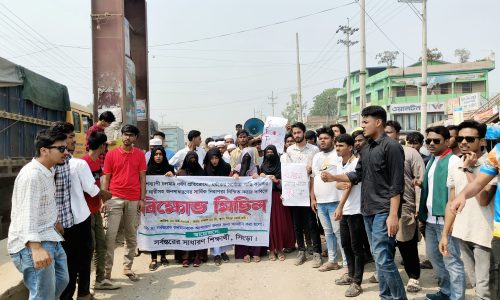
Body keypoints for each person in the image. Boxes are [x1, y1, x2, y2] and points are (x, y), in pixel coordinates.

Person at [327, 106, 407, 300]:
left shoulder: (392, 147)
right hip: (368, 210)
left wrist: (393, 215)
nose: (362, 126)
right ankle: (386, 296)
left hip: (384, 210)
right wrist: (333, 177)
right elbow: (358, 174)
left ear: (378, 122)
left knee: (382, 257)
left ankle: (398, 298)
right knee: (379, 257)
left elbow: (396, 184)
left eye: (365, 121)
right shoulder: (367, 148)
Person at [8, 130, 70, 299]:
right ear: (44, 150)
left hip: (50, 236)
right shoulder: (32, 175)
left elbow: (43, 203)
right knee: (43, 295)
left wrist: (55, 221)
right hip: (33, 244)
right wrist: (35, 248)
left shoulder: (47, 170)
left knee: (62, 281)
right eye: (61, 148)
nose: (66, 152)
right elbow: (25, 214)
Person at [439, 120, 495, 300]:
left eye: (470, 139)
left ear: (482, 141)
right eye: (460, 138)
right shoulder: (456, 165)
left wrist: (468, 168)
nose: (463, 142)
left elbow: (483, 199)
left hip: (485, 236)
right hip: (462, 233)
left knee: (485, 289)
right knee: (475, 283)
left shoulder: (492, 163)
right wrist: (445, 234)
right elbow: (452, 202)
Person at [417, 126, 464, 300]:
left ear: (447, 141)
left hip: (446, 220)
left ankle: (457, 297)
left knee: (452, 261)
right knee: (435, 259)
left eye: (436, 141)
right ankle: (446, 292)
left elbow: (456, 193)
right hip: (430, 219)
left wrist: (450, 223)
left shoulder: (453, 161)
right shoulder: (432, 160)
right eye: (428, 140)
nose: (430, 144)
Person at [448, 142, 500, 300]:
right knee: (496, 286)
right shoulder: (497, 151)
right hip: (499, 231)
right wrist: (462, 196)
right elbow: (479, 183)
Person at [102, 124, 147, 282]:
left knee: (131, 236)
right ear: (122, 136)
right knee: (110, 236)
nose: (127, 137)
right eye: (125, 134)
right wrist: (104, 199)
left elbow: (142, 178)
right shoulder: (111, 154)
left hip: (134, 199)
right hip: (114, 198)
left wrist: (142, 199)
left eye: (131, 135)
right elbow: (106, 178)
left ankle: (127, 267)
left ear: (135, 138)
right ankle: (106, 272)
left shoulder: (140, 155)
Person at [385, 120, 425, 293]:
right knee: (385, 245)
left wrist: (418, 206)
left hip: (405, 206)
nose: (386, 136)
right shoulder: (377, 152)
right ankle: (385, 274)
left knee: (406, 244)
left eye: (389, 132)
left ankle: (413, 277)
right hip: (382, 208)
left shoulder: (409, 153)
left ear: (397, 134)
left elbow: (419, 181)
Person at [82, 132, 120, 291]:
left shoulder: (97, 162)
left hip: (95, 210)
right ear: (102, 146)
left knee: (101, 245)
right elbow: (88, 189)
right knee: (89, 247)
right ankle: (83, 282)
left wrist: (103, 201)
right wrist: (105, 195)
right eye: (106, 145)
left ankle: (100, 279)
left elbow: (102, 181)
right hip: (85, 213)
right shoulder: (83, 163)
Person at [286, 122, 323, 268]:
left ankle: (317, 253)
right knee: (297, 224)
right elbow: (287, 172)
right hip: (294, 194)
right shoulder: (289, 150)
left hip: (309, 191)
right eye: (294, 133)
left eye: (298, 133)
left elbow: (317, 171)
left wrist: (310, 169)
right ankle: (301, 251)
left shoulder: (314, 150)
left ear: (304, 133)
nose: (296, 135)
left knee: (312, 223)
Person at [333, 134, 365, 297]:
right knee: (345, 244)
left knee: (356, 247)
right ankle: (351, 275)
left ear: (350, 147)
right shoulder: (340, 163)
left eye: (341, 146)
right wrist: (340, 184)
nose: (337, 148)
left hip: (355, 210)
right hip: (345, 210)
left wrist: (340, 206)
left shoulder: (355, 163)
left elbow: (349, 185)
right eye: (336, 145)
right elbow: (339, 184)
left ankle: (357, 282)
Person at [310, 127, 345, 271]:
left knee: (339, 233)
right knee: (328, 232)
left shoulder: (338, 155)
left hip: (335, 200)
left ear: (333, 139)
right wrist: (313, 198)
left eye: (326, 138)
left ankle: (347, 262)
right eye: (321, 138)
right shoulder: (317, 157)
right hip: (321, 202)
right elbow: (313, 178)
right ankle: (332, 260)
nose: (322, 141)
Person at [260, 145, 295, 261]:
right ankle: (271, 249)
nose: (269, 154)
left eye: (271, 152)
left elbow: (287, 181)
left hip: (278, 197)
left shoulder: (281, 166)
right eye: (267, 152)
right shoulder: (262, 166)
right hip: (265, 198)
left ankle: (280, 248)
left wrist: (277, 181)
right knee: (269, 225)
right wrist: (261, 176)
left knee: (280, 225)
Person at [232, 148, 267, 262]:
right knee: (242, 228)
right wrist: (234, 178)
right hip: (240, 204)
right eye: (244, 157)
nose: (246, 159)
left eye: (249, 157)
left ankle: (256, 252)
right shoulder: (236, 169)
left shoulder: (256, 168)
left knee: (255, 227)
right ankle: (244, 253)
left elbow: (263, 182)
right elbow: (228, 185)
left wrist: (259, 178)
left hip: (254, 204)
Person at [176, 151, 209, 267]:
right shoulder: (180, 173)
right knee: (185, 232)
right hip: (184, 208)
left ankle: (198, 256)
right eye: (190, 159)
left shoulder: (201, 173)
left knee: (198, 232)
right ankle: (185, 257)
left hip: (199, 207)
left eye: (195, 159)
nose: (192, 161)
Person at [146, 146, 175, 270]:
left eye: (160, 154)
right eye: (156, 154)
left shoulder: (169, 168)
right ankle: (153, 258)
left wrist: (172, 175)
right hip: (151, 206)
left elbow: (176, 185)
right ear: (152, 156)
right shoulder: (147, 169)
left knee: (163, 229)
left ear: (164, 156)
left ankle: (163, 256)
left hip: (165, 206)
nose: (158, 156)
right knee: (153, 231)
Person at [204, 148, 232, 265]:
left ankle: (224, 251)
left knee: (224, 227)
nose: (214, 161)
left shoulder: (226, 167)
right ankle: (216, 254)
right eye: (212, 158)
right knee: (213, 229)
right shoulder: (205, 169)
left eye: (216, 158)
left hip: (223, 202)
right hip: (210, 203)